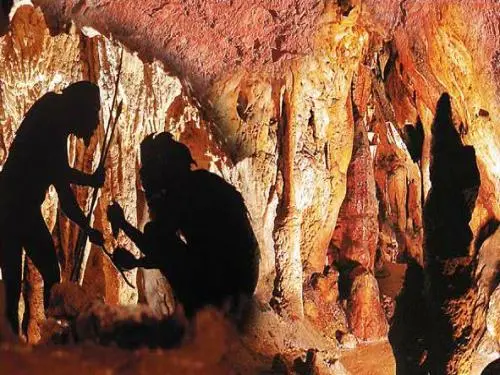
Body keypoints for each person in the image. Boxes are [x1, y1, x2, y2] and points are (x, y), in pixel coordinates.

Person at [107, 132, 259, 318]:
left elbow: (156, 244)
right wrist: (139, 262)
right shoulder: (202, 182)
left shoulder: (184, 193)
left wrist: (122, 224)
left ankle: (197, 325)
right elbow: (171, 254)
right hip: (240, 280)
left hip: (228, 286)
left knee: (153, 232)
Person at [0, 81, 105, 334]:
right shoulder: (52, 112)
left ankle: (49, 333)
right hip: (8, 206)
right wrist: (90, 180)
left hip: (24, 210)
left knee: (49, 271)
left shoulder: (56, 118)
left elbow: (65, 196)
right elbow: (57, 171)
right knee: (13, 281)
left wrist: (87, 230)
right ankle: (10, 345)